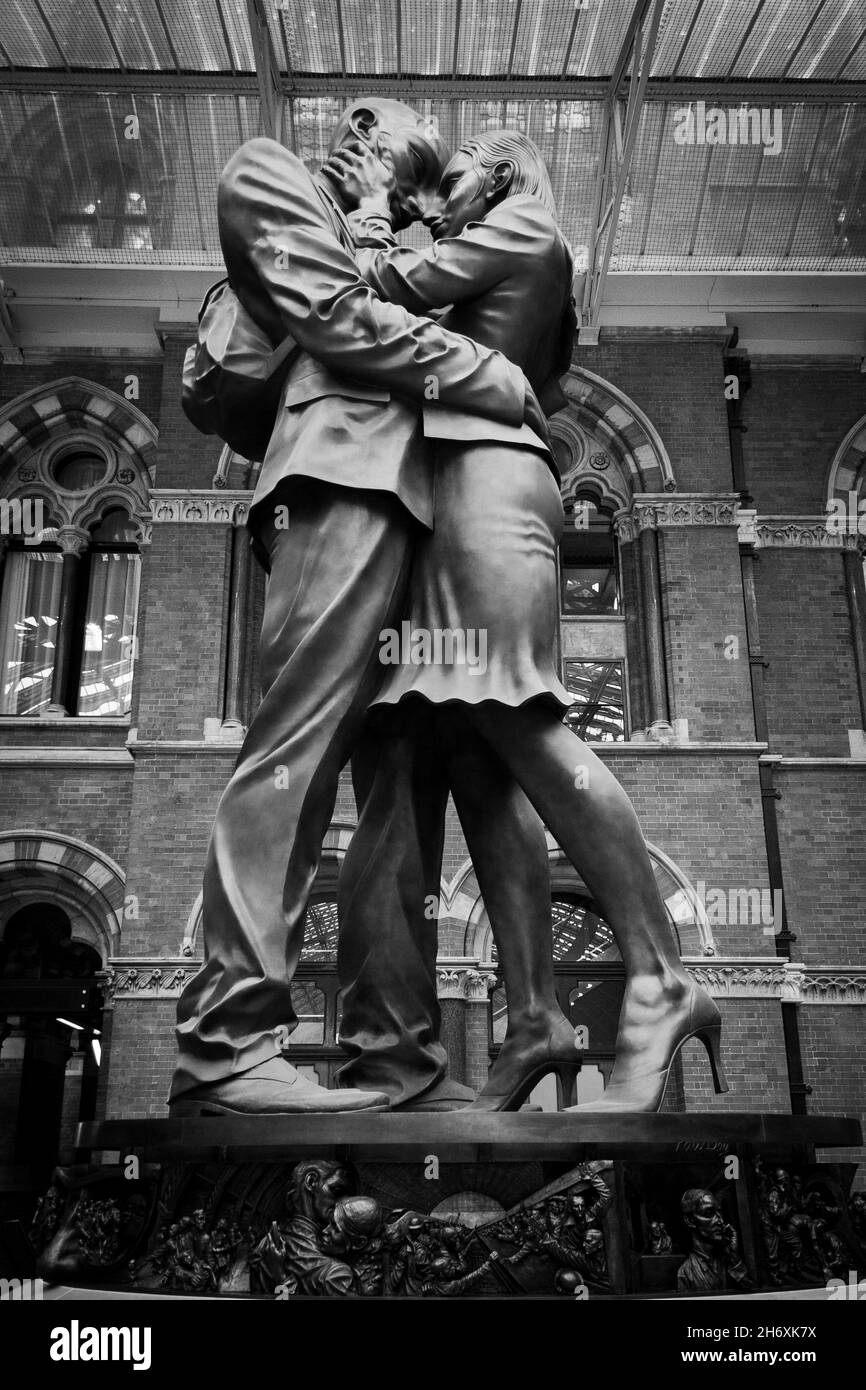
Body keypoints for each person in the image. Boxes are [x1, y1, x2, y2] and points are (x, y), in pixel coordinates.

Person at [330, 129, 727, 1113]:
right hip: (460, 488)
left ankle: (661, 974)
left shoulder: (521, 229)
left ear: (500, 171)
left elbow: (369, 291)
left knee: (516, 716)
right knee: (473, 754)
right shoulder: (508, 255)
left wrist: (379, 204)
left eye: (458, 173)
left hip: (485, 490)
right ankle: (538, 1017)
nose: (445, 188)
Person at [169, 99, 547, 1117]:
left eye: (393, 153)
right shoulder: (267, 174)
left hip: (415, 510)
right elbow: (337, 317)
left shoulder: (399, 242)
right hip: (335, 484)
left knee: (401, 787)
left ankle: (399, 1058)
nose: (357, 139)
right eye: (364, 132)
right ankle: (226, 1044)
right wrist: (490, 376)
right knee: (292, 752)